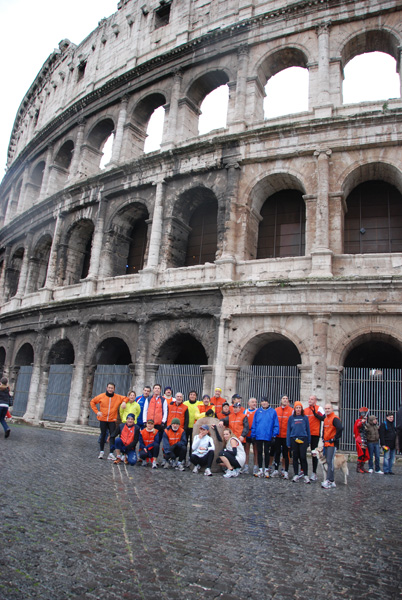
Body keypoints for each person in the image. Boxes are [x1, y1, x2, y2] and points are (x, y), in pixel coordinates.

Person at [90, 382, 127, 459]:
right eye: (109, 388)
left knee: (112, 436)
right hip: (103, 419)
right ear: (107, 388)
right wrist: (97, 412)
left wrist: (123, 402)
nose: (110, 389)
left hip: (112, 420)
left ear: (114, 389)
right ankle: (101, 452)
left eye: (112, 388)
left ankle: (111, 453)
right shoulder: (101, 396)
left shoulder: (117, 397)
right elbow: (92, 402)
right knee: (103, 435)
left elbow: (126, 398)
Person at [251, 397, 279, 478]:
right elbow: (254, 423)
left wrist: (274, 435)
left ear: (268, 403)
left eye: (265, 401)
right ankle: (260, 469)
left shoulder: (273, 412)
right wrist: (253, 434)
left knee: (267, 452)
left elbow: (275, 424)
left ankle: (266, 469)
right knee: (259, 452)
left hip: (268, 435)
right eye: (262, 401)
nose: (264, 403)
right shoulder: (258, 412)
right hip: (259, 435)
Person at [286, 401, 311, 483]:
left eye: (299, 408)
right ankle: (296, 474)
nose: (298, 409)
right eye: (297, 408)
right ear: (294, 409)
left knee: (303, 457)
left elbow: (308, 429)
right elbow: (289, 430)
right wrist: (288, 442)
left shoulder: (305, 418)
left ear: (301, 409)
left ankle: (306, 474)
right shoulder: (291, 418)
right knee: (295, 457)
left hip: (303, 438)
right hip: (294, 438)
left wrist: (308, 441)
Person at [321, 403, 343, 489]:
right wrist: (323, 438)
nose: (327, 410)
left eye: (328, 408)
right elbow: (324, 429)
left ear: (332, 409)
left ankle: (329, 480)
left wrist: (335, 438)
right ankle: (332, 480)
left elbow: (340, 428)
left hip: (332, 443)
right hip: (326, 443)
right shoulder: (326, 419)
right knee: (328, 461)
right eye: (325, 408)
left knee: (330, 461)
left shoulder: (334, 418)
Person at [304, 395, 325, 482]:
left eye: (312, 399)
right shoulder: (305, 410)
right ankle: (303, 471)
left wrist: (316, 415)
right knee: (302, 452)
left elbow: (324, 418)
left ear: (315, 401)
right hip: (306, 434)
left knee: (314, 453)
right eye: (309, 399)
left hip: (315, 434)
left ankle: (314, 472)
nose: (310, 400)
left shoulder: (319, 408)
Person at [272, 395, 293, 479]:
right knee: (277, 453)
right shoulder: (276, 410)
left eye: (286, 399)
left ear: (288, 401)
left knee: (286, 454)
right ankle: (276, 469)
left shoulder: (291, 411)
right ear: (281, 400)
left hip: (286, 435)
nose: (285, 400)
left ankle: (286, 470)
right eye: (283, 399)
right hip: (278, 435)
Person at [243, 397, 258, 474]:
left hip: (255, 434)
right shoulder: (246, 411)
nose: (254, 403)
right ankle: (246, 466)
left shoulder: (258, 411)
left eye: (255, 402)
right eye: (252, 402)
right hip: (247, 433)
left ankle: (255, 466)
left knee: (256, 451)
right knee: (246, 451)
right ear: (249, 403)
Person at [184, 390, 198, 464]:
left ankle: (191, 459)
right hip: (186, 427)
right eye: (191, 394)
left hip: (195, 427)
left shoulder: (199, 403)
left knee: (193, 444)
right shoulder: (185, 403)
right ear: (189, 396)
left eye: (194, 395)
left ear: (196, 396)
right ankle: (183, 459)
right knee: (184, 443)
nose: (192, 396)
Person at [354, 407, 370, 473]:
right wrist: (361, 422)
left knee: (364, 454)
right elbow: (357, 426)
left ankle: (362, 467)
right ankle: (358, 468)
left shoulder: (365, 423)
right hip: (360, 440)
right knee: (361, 454)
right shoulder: (358, 421)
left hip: (364, 440)